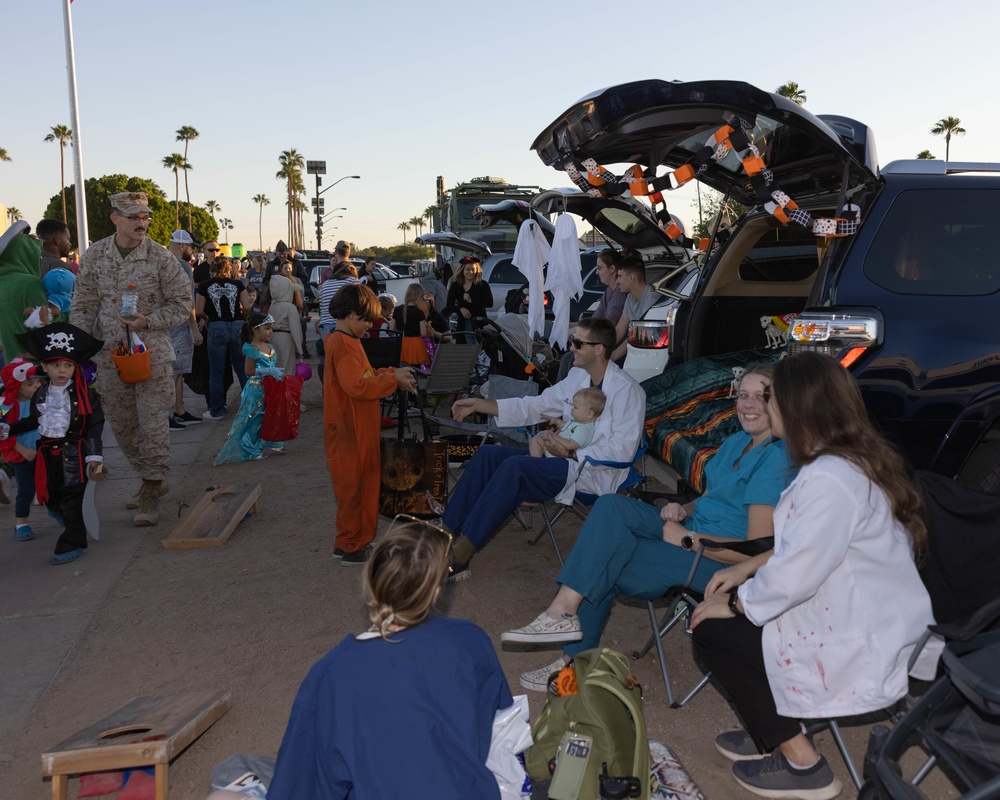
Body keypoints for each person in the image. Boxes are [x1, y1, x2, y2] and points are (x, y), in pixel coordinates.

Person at [687, 352, 939, 800]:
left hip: (861, 635)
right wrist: (747, 566)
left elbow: (794, 577)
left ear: (797, 407)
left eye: (773, 399)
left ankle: (802, 763)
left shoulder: (830, 478)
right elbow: (805, 552)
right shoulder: (843, 460)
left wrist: (734, 602)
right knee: (735, 616)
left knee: (713, 629)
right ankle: (774, 724)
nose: (766, 407)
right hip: (853, 610)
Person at [503, 363, 790, 690]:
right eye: (743, 396)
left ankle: (572, 658)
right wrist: (681, 509)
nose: (749, 404)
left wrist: (689, 540)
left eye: (760, 396)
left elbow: (755, 551)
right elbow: (712, 498)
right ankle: (562, 613)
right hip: (687, 531)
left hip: (715, 561)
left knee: (607, 559)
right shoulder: (736, 442)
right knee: (611, 506)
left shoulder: (776, 458)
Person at [267, 518, 514, 800]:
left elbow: (303, 785)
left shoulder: (334, 673)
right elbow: (504, 729)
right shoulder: (472, 640)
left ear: (372, 579)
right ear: (435, 592)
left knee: (237, 770)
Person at [443, 317, 645, 581]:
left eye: (577, 342)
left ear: (598, 349)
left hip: (590, 472)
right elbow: (535, 405)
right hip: (557, 459)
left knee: (517, 468)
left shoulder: (628, 391)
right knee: (488, 454)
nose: (571, 347)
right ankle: (443, 534)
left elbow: (623, 450)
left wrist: (571, 453)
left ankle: (460, 556)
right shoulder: (578, 376)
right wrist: (481, 405)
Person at [70, 192, 192, 527]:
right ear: (115, 219)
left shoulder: (160, 257)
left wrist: (148, 321)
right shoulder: (95, 255)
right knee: (123, 427)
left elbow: (183, 303)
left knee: (153, 423)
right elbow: (83, 305)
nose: (141, 222)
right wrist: (76, 350)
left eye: (145, 217)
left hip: (150, 353)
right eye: (133, 216)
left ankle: (152, 488)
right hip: (110, 356)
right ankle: (149, 475)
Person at [323, 284, 415, 565]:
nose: (369, 327)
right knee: (354, 488)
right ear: (352, 315)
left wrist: (391, 372)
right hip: (349, 432)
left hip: (357, 429)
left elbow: (365, 374)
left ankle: (349, 541)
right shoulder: (342, 343)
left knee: (358, 485)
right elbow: (358, 386)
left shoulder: (346, 340)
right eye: (366, 321)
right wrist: (391, 380)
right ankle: (353, 546)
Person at [2, 323, 105, 565]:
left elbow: (94, 427)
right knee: (52, 498)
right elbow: (33, 421)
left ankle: (73, 542)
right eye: (56, 365)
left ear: (75, 367)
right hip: (47, 455)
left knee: (72, 501)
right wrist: (8, 429)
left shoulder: (87, 396)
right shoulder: (41, 393)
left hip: (76, 455)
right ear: (45, 367)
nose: (62, 370)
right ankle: (69, 520)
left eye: (68, 365)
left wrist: (95, 459)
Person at [214, 313, 286, 464]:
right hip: (255, 390)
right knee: (252, 419)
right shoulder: (252, 349)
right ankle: (251, 450)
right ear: (255, 330)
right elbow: (248, 371)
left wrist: (275, 373)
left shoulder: (269, 346)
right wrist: (267, 371)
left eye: (271, 329)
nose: (270, 332)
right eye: (267, 329)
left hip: (269, 388)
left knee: (270, 415)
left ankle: (272, 441)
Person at [557, 249, 625, 381]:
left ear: (612, 269)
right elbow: (596, 319)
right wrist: (568, 326)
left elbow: (606, 324)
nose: (596, 272)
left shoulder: (619, 294)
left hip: (608, 345)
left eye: (600, 268)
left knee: (571, 361)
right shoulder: (608, 292)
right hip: (601, 341)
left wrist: (574, 333)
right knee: (567, 358)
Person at [197, 258, 251, 421]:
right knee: (242, 368)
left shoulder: (204, 286)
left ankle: (217, 410)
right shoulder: (238, 284)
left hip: (216, 327)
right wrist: (244, 319)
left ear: (212, 270)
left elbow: (198, 310)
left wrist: (207, 317)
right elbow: (247, 307)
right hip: (236, 326)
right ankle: (250, 406)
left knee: (216, 371)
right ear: (230, 270)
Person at [0, 360, 43, 541]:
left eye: (39, 382)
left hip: (43, 452)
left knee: (50, 485)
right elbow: (2, 433)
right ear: (16, 386)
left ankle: (59, 513)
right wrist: (22, 450)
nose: (37, 386)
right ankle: (21, 523)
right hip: (22, 455)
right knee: (26, 489)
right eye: (30, 384)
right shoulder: (5, 406)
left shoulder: (42, 399)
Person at [167, 230, 204, 430]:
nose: (193, 252)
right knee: (173, 373)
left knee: (177, 372)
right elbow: (187, 300)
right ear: (182, 246)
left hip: (164, 324)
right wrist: (194, 329)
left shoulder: (161, 262)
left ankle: (179, 411)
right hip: (178, 326)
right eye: (191, 247)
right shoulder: (182, 266)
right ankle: (169, 414)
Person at [528, 387, 604, 459]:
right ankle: (535, 459)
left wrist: (552, 436)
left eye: (575, 407)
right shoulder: (578, 422)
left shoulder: (584, 430)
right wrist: (556, 421)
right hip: (553, 450)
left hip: (559, 455)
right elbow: (567, 426)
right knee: (536, 439)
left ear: (589, 414)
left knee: (537, 440)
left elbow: (571, 445)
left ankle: (536, 461)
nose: (572, 409)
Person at [611, 255, 661, 362]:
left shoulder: (651, 297)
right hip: (636, 351)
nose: (616, 281)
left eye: (619, 276)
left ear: (631, 277)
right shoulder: (630, 298)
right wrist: (601, 347)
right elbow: (619, 329)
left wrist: (612, 356)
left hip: (650, 355)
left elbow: (640, 334)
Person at [444, 256, 493, 333]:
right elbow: (449, 305)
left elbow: (489, 303)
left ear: (477, 270)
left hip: (479, 321)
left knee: (479, 342)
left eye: (473, 269)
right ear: (462, 270)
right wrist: (460, 309)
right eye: (467, 269)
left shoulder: (483, 285)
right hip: (463, 322)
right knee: (465, 342)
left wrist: (472, 300)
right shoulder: (456, 286)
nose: (470, 272)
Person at [267, 275, 303, 376]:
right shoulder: (290, 307)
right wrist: (299, 350)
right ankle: (285, 390)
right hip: (286, 338)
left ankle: (277, 389)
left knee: (276, 367)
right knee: (287, 369)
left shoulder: (272, 306)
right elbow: (295, 328)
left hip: (273, 337)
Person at [390, 282, 431, 367]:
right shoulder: (419, 313)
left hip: (400, 343)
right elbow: (423, 333)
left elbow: (391, 330)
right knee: (414, 371)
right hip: (415, 345)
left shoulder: (397, 310)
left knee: (401, 369)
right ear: (418, 297)